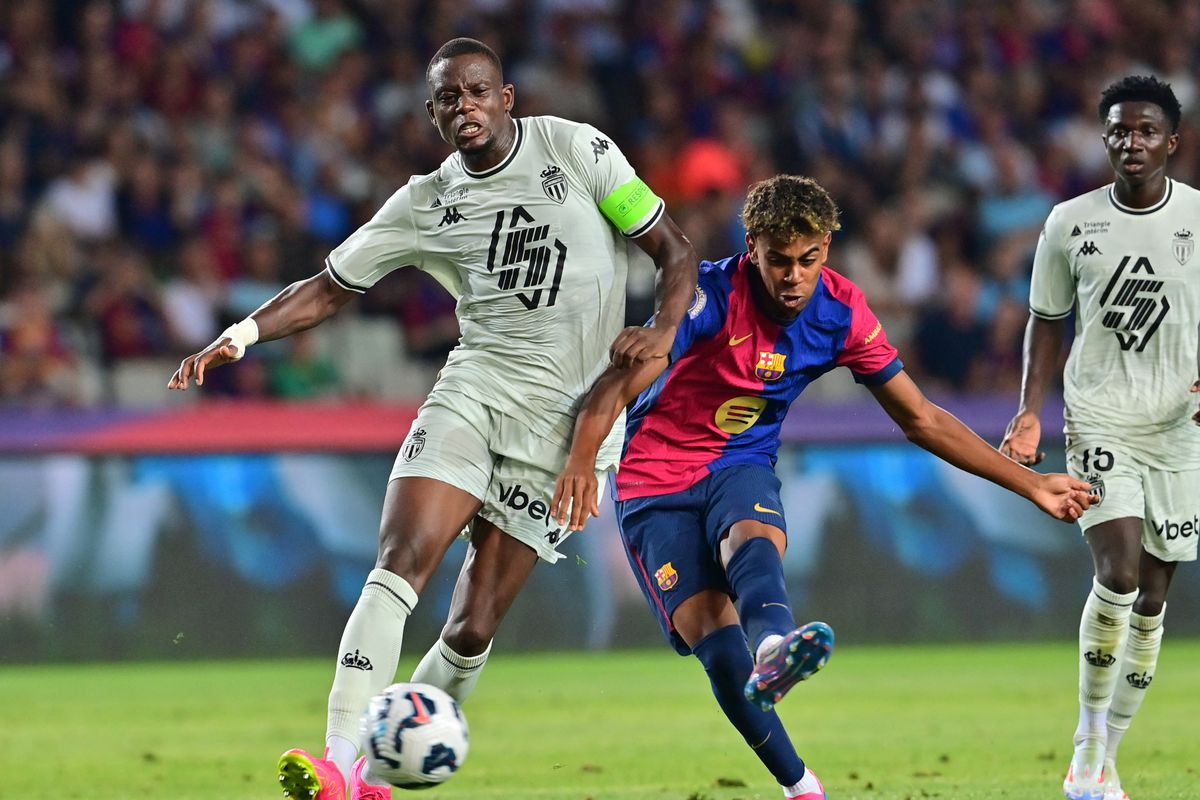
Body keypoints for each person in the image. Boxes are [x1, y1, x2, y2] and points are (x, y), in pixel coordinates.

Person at [168, 37, 698, 800]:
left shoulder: (577, 152)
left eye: (478, 92)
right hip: (475, 393)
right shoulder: (427, 202)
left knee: (473, 625)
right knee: (401, 558)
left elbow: (671, 249)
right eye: (449, 98)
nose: (466, 107)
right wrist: (242, 334)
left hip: (567, 426)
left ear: (506, 97)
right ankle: (340, 762)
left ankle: (383, 771)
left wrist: (662, 328)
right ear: (432, 114)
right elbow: (329, 286)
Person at [552, 174, 1095, 800]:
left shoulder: (841, 313)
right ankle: (801, 785)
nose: (792, 276)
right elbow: (623, 381)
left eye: (808, 259)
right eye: (778, 260)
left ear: (827, 250)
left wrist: (1032, 486)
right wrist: (581, 460)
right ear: (750, 245)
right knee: (721, 655)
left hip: (738, 461)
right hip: (653, 481)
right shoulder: (706, 297)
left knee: (751, 537)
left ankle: (777, 644)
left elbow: (921, 418)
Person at [999, 75, 1200, 800]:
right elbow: (1046, 319)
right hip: (1100, 418)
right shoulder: (1069, 222)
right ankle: (1086, 744)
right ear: (1105, 138)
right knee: (1117, 572)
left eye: (1146, 130)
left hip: (1178, 430)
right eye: (1119, 130)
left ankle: (1108, 754)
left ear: (1172, 141)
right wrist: (1030, 410)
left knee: (1152, 597)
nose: (1131, 142)